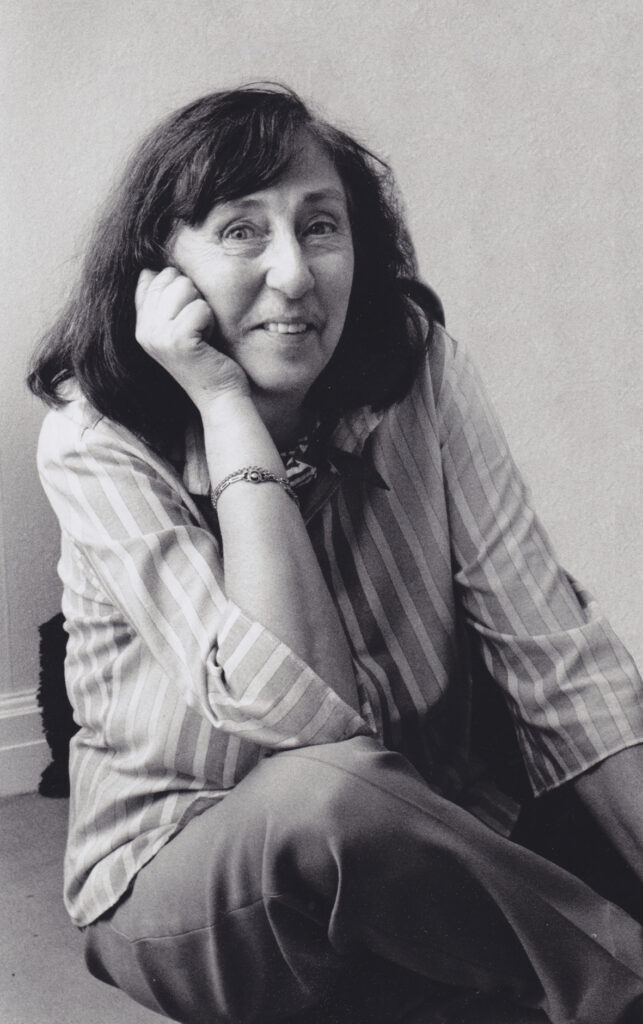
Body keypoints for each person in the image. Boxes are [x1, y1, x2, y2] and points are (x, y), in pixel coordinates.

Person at [28, 84, 643, 1024]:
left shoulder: (416, 363)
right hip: (188, 877)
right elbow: (302, 714)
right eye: (241, 232)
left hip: (431, 827)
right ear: (162, 271)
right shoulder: (94, 440)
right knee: (330, 792)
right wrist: (225, 406)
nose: (293, 273)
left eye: (321, 226)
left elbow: (553, 657)